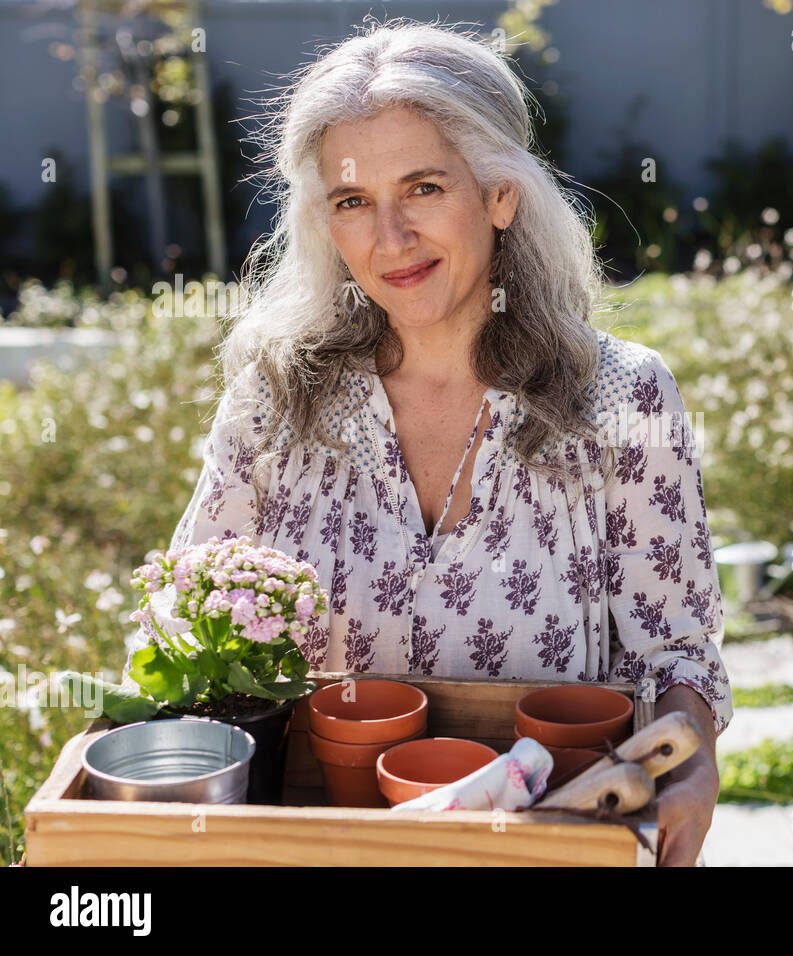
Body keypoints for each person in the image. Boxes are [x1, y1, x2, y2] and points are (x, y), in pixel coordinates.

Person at [121, 18, 731, 866]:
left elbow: (676, 650)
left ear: (500, 194)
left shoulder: (624, 394)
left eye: (424, 188)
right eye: (352, 202)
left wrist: (690, 759)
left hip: (547, 845)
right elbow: (181, 626)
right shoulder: (275, 396)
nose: (391, 239)